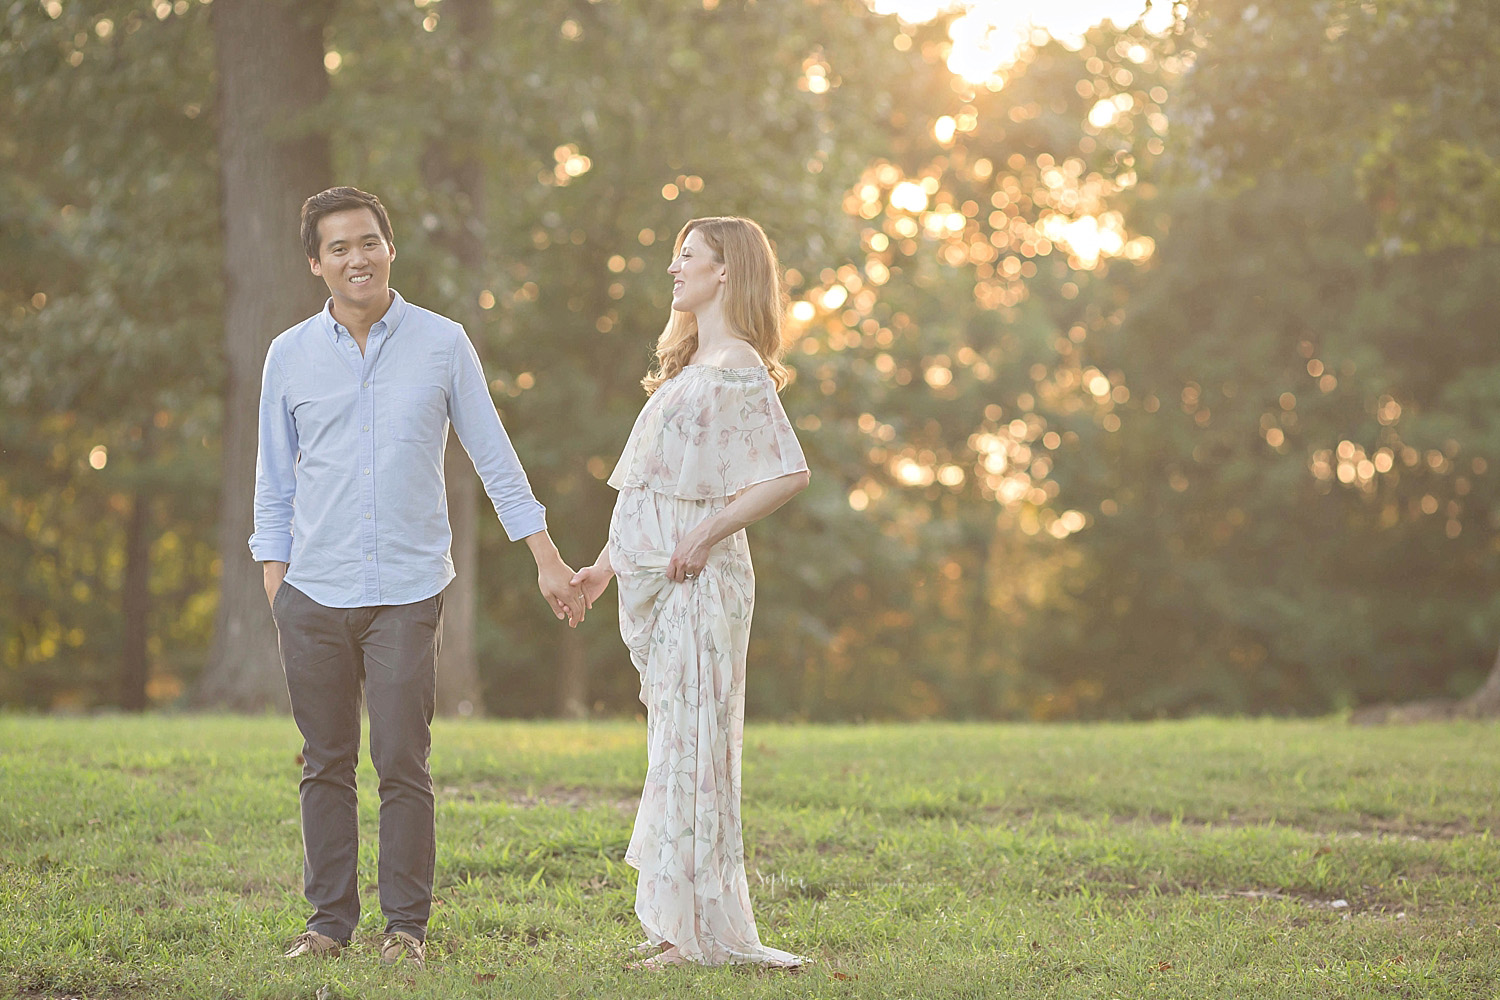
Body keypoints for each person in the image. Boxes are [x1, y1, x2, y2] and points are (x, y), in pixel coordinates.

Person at [249, 186, 585, 970]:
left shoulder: (442, 343)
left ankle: (407, 930)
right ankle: (328, 925)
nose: (356, 258)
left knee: (402, 760)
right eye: (338, 248)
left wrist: (547, 558)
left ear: (389, 248)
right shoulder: (288, 354)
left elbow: (494, 457)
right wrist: (276, 582)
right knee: (324, 764)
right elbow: (273, 479)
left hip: (405, 590)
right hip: (313, 591)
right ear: (315, 264)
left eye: (368, 241)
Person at [571, 217, 811, 969]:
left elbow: (786, 472)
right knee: (675, 746)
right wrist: (603, 567)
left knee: (696, 747)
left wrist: (706, 537)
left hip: (703, 582)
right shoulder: (692, 366)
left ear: (725, 274)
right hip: (666, 578)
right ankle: (685, 926)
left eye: (688, 259)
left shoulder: (736, 364)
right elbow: (653, 490)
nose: (674, 270)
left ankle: (698, 934)